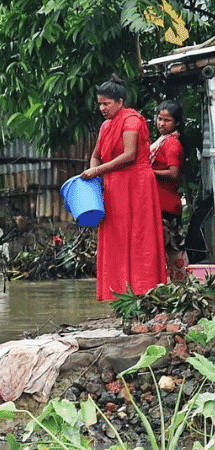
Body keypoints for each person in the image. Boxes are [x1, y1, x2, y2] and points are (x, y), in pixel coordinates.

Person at [80, 76, 166, 301]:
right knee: (116, 237)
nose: (102, 108)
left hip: (137, 184)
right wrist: (94, 175)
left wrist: (97, 172)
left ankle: (142, 291)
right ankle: (119, 294)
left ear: (120, 102)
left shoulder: (132, 120)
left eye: (106, 103)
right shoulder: (106, 125)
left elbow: (129, 156)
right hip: (113, 186)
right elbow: (95, 156)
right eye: (99, 103)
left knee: (139, 236)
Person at [150, 100, 188, 281]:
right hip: (161, 203)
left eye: (167, 120)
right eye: (159, 119)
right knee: (170, 250)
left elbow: (174, 174)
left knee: (173, 250)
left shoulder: (172, 144)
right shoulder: (162, 142)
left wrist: (148, 172)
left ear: (177, 123)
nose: (161, 124)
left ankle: (182, 289)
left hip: (166, 204)